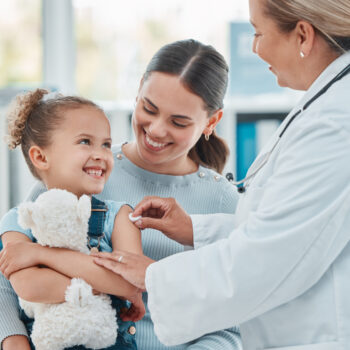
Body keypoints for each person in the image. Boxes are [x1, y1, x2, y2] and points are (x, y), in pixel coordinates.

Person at [89, 1, 350, 349]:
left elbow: (267, 256)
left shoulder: (336, 122)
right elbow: (284, 227)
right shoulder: (327, 106)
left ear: (303, 35)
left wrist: (153, 275)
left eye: (258, 32)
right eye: (149, 108)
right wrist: (194, 229)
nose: (254, 47)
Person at [0, 40, 241, 350]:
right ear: (139, 89)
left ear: (211, 121)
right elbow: (8, 272)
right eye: (148, 109)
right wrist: (13, 339)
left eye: (178, 122)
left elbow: (230, 325)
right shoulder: (82, 172)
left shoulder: (222, 202)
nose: (155, 130)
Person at [0, 89, 145, 350]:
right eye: (85, 142)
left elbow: (130, 282)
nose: (101, 153)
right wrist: (105, 286)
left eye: (105, 143)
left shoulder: (121, 216)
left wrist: (40, 255)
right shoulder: (18, 221)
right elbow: (29, 287)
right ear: (41, 157)